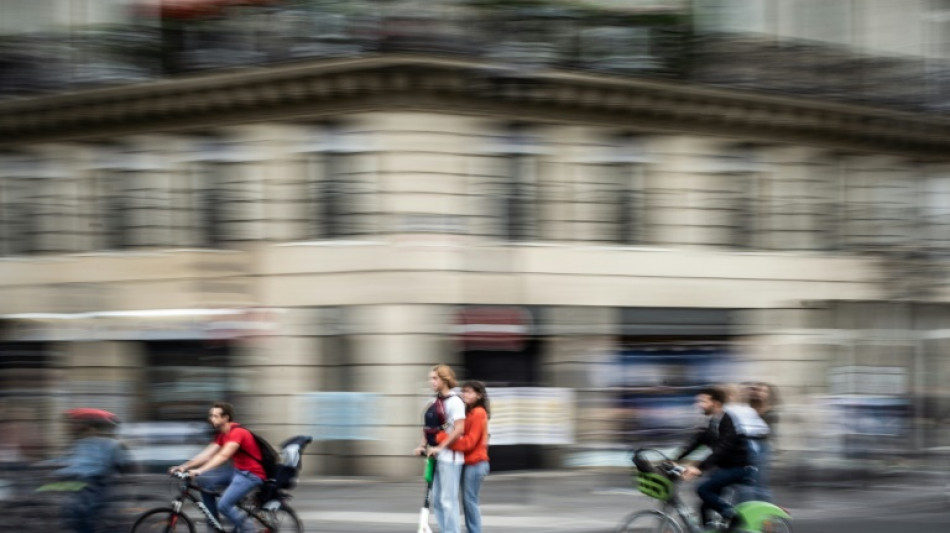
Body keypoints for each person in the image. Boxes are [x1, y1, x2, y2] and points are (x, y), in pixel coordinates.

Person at [170, 402, 265, 533]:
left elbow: (223, 456)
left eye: (215, 416)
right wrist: (184, 466)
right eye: (211, 415)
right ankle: (214, 525)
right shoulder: (222, 435)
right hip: (237, 471)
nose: (211, 419)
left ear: (225, 418)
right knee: (204, 482)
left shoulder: (238, 432)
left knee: (224, 505)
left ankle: (249, 529)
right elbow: (206, 455)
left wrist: (199, 470)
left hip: (251, 475)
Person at [674, 385, 755, 532]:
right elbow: (696, 442)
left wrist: (699, 468)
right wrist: (674, 459)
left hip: (740, 468)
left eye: (703, 401)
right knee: (705, 505)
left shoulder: (729, 421)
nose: (699, 405)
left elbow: (721, 450)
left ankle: (734, 516)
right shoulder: (712, 422)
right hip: (725, 468)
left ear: (716, 404)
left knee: (703, 489)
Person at [56, 409, 130, 533]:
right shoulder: (83, 443)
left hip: (96, 483)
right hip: (83, 483)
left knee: (85, 514)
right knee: (74, 513)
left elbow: (120, 464)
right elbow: (71, 461)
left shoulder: (111, 444)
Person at [413, 364, 465, 533]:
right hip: (435, 457)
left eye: (435, 378)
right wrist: (422, 445)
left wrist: (440, 447)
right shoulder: (434, 401)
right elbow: (428, 427)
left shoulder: (455, 401)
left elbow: (459, 429)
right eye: (430, 378)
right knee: (436, 500)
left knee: (448, 499)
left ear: (445, 379)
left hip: (451, 457)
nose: (431, 381)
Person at [437, 380, 490, 533]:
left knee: (470, 501)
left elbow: (468, 443)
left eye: (469, 391)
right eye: (463, 391)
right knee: (467, 501)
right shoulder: (469, 412)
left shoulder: (479, 413)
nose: (464, 394)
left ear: (479, 395)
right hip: (469, 463)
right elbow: (454, 428)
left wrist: (442, 439)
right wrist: (443, 427)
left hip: (476, 463)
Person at [745, 381, 779, 502]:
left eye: (763, 391)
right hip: (747, 447)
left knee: (760, 482)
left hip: (762, 448)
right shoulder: (748, 409)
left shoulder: (771, 412)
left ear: (769, 395)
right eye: (757, 390)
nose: (759, 393)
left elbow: (764, 432)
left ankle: (767, 513)